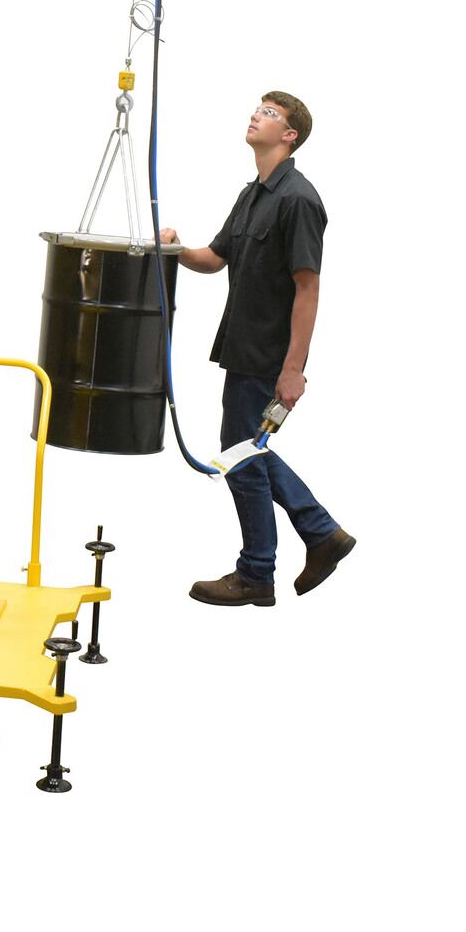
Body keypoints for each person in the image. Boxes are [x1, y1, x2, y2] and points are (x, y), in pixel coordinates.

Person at [161, 91, 355, 606]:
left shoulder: (299, 200)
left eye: (270, 113)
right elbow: (213, 258)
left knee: (241, 456)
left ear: (290, 136)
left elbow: (308, 289)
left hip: (268, 354)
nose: (255, 115)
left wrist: (293, 370)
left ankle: (258, 572)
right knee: (246, 452)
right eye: (258, 108)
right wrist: (173, 248)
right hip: (241, 348)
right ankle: (320, 534)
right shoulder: (253, 195)